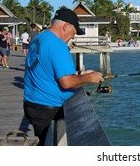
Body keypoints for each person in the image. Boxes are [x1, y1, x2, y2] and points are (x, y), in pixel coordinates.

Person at [23, 9, 111, 146]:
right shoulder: (58, 45)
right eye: (74, 32)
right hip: (48, 109)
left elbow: (46, 70)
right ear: (66, 26)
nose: (74, 37)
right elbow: (66, 82)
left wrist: (81, 75)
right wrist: (89, 78)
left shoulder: (39, 39)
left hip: (32, 103)